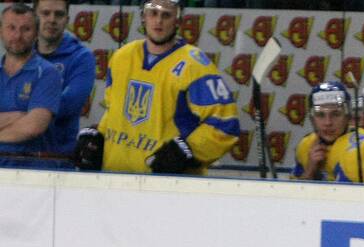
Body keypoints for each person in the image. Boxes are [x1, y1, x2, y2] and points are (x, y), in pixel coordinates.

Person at [74, 0, 239, 174]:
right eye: (153, 13)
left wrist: (189, 151)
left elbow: (225, 125)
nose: (158, 20)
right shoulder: (122, 56)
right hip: (114, 178)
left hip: (168, 185)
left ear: (178, 20)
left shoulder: (195, 65)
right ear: (143, 16)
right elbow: (114, 109)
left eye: (166, 15)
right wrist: (99, 136)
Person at [0, 2, 61, 167]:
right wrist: (18, 116)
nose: (17, 35)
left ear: (36, 34)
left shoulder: (47, 73)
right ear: (0, 31)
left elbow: (33, 127)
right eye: (11, 28)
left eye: (26, 29)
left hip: (32, 172)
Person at [34, 0, 93, 164]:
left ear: (67, 19)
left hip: (58, 160)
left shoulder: (82, 57)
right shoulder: (21, 52)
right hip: (15, 156)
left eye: (59, 14)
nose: (52, 19)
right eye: (45, 13)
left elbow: (68, 105)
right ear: (34, 16)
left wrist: (19, 111)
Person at [291, 80, 355, 181]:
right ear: (312, 119)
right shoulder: (306, 145)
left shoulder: (362, 146)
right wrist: (309, 171)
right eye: (320, 115)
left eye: (336, 114)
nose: (328, 122)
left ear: (348, 117)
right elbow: (290, 190)